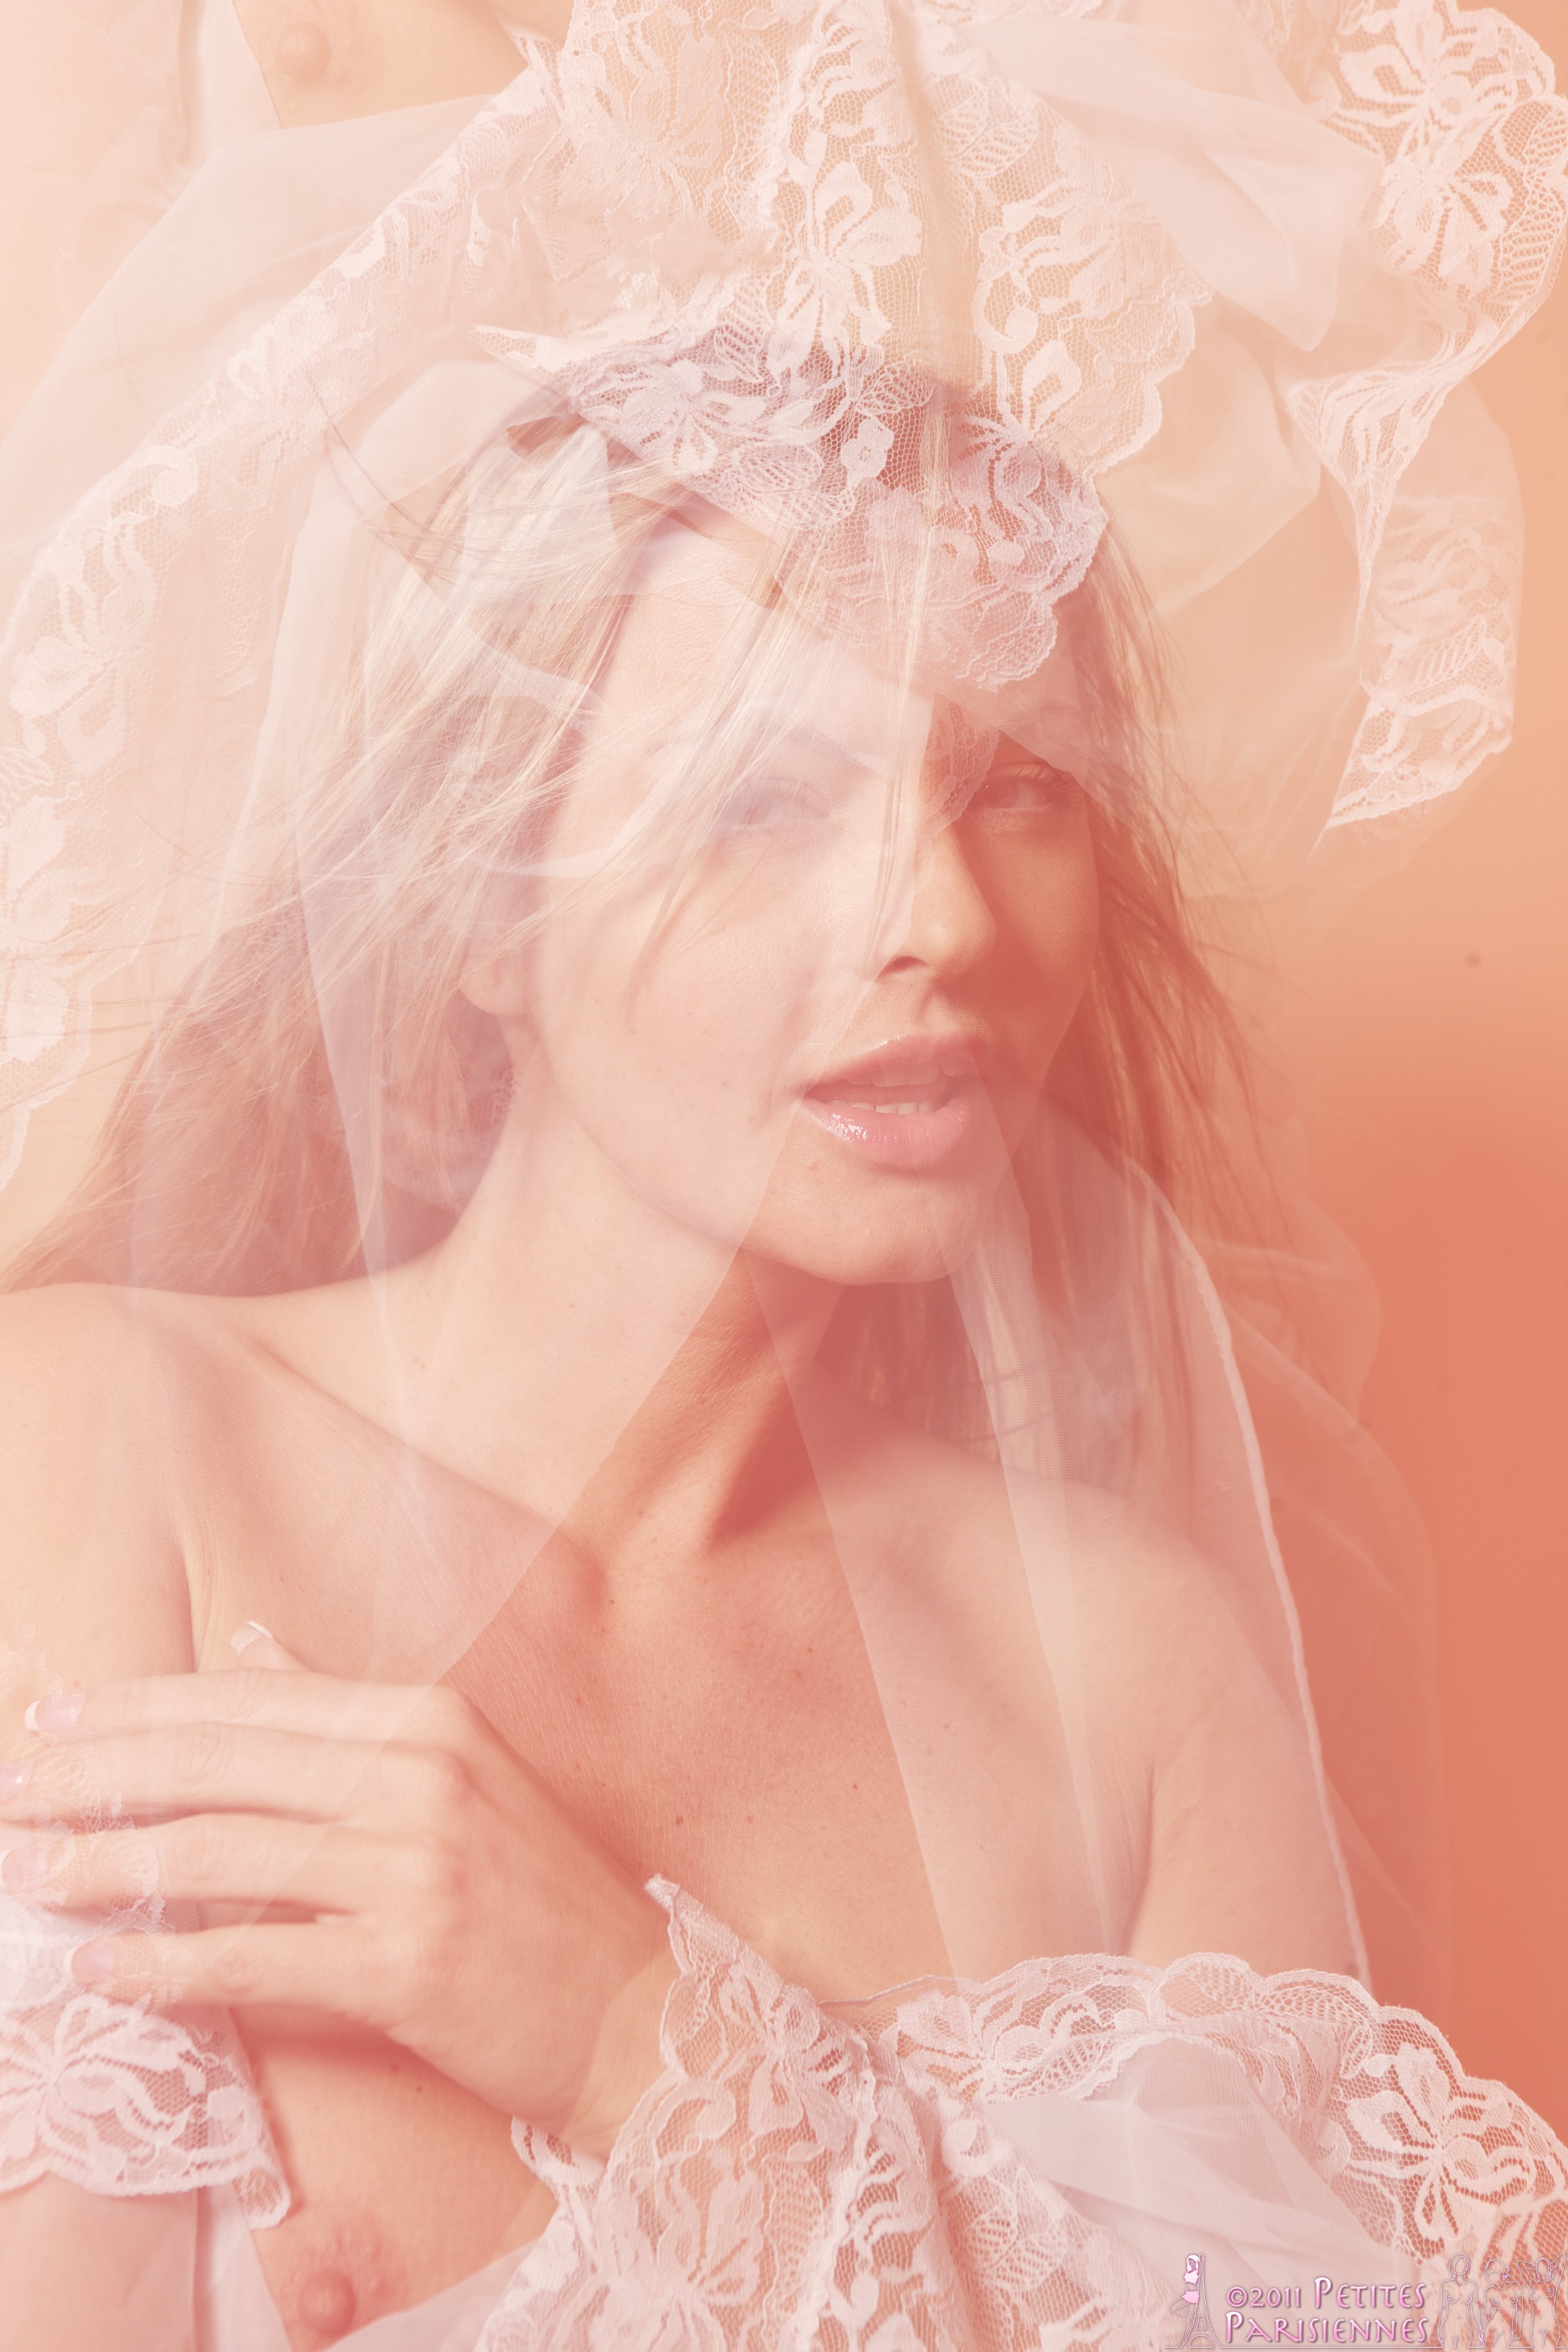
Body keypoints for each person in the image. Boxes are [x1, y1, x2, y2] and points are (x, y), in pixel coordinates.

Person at [0, 4, 1563, 2347]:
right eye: (759, 802)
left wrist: (646, 2050)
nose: (934, 921)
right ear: (481, 909)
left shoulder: (1136, 1673)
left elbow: (1305, 2324)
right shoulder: (97, 1451)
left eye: (1017, 790)